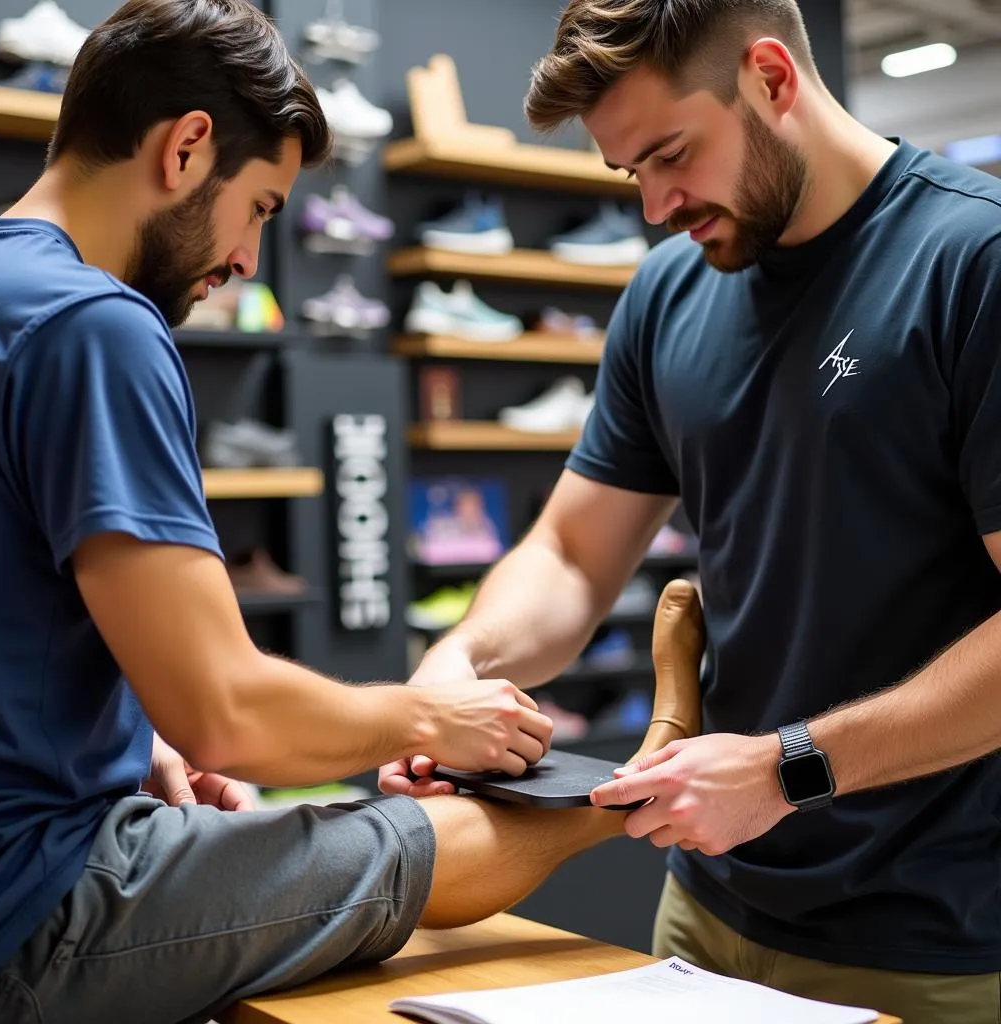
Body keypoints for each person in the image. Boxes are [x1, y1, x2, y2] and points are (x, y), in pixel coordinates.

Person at [0, 2, 644, 1021]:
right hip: (27, 908)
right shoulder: (96, 326)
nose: (247, 259)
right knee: (417, 834)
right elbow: (227, 714)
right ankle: (646, 781)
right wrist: (431, 715)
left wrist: (123, 742)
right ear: (187, 148)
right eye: (262, 208)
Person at [380, 2, 1001, 1022]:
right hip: (707, 914)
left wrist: (787, 766)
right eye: (631, 174)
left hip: (931, 937)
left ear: (768, 75)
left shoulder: (968, 260)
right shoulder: (668, 291)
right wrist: (460, 670)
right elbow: (575, 554)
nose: (657, 206)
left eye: (671, 154)